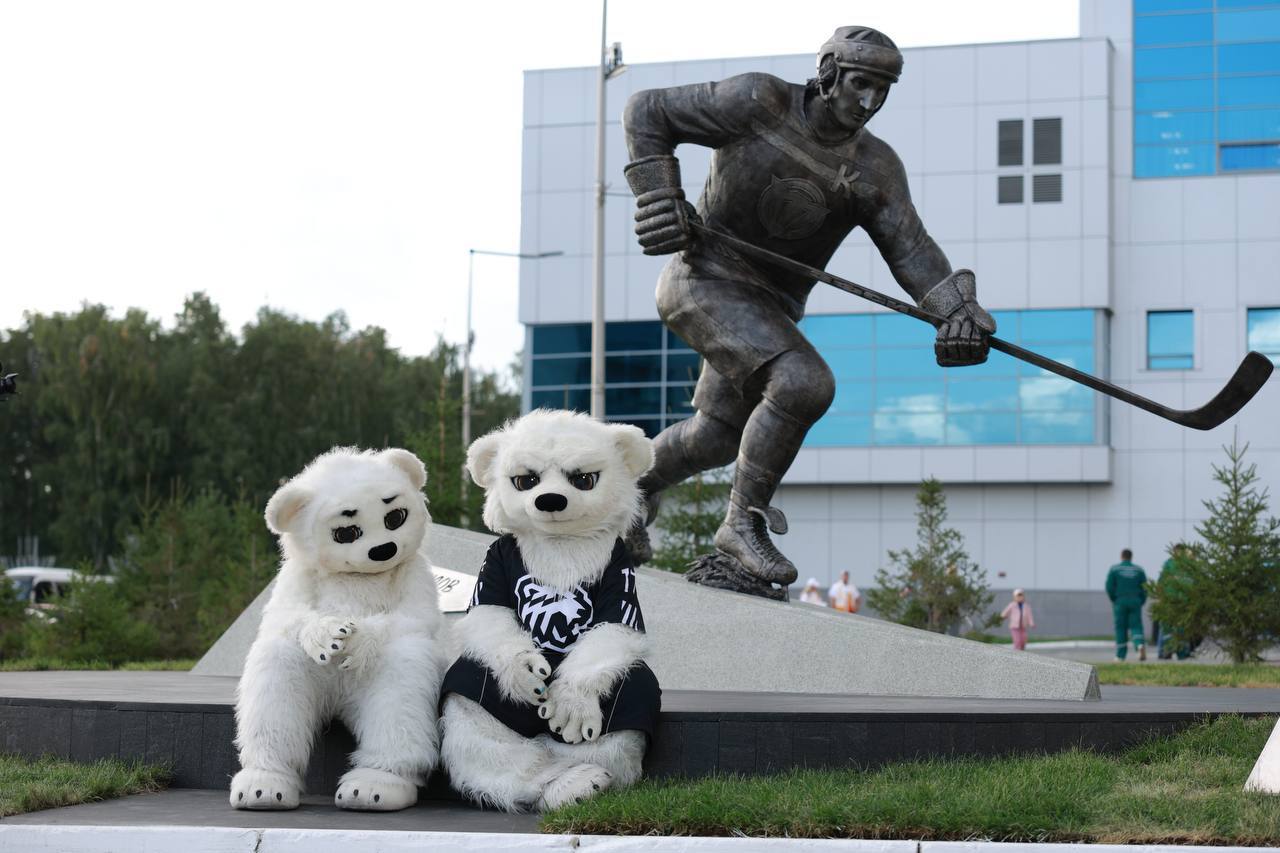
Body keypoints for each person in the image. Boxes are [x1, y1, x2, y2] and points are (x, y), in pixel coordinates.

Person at [620, 26, 996, 595]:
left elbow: (912, 249)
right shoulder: (758, 102)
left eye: (882, 90)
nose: (870, 101)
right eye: (860, 84)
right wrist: (658, 195)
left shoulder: (876, 168)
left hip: (768, 310)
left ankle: (629, 489)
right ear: (827, 73)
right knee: (802, 381)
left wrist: (957, 311)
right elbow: (647, 111)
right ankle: (740, 526)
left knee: (717, 437)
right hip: (704, 280)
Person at [1105, 548, 1148, 662]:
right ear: (1131, 557)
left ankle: (1120, 656)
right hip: (1135, 601)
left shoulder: (1115, 569)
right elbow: (1145, 588)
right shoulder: (1139, 570)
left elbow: (1109, 586)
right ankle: (1139, 645)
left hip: (1120, 601)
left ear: (1121, 556)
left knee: (1121, 627)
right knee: (1136, 626)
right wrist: (1141, 601)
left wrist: (1114, 599)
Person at [1156, 543, 1196, 660]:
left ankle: (1165, 652)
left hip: (1170, 599)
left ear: (1174, 551)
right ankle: (1182, 653)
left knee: (1167, 626)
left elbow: (1161, 581)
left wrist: (1160, 597)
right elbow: (1195, 583)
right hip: (1185, 601)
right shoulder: (1190, 564)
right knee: (1182, 627)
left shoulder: (1169, 563)